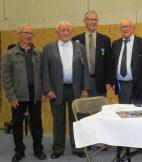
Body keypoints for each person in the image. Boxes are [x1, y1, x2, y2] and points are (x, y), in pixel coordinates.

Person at [41, 21, 90, 159]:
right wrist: (48, 90)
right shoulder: (48, 49)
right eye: (63, 30)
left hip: (76, 90)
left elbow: (86, 69)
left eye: (68, 30)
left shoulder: (80, 47)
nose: (66, 32)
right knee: (58, 120)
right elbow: (45, 72)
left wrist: (85, 88)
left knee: (76, 120)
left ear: (72, 31)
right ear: (57, 32)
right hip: (56, 90)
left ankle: (77, 148)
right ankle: (58, 148)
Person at [2, 24, 46, 162]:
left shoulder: (38, 54)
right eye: (25, 33)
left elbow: (44, 75)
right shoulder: (9, 55)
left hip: (35, 94)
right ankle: (19, 151)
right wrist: (11, 97)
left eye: (30, 33)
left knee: (37, 123)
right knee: (17, 125)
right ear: (19, 35)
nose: (28, 35)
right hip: (18, 95)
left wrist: (44, 91)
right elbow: (6, 78)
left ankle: (38, 150)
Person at [72, 10, 112, 97]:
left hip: (100, 82)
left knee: (100, 109)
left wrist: (109, 81)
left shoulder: (105, 40)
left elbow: (109, 62)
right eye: (90, 19)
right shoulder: (75, 40)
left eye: (95, 20)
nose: (93, 22)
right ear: (84, 21)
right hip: (82, 83)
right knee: (84, 109)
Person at [112, 18, 142, 105]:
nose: (125, 29)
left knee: (140, 115)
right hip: (122, 86)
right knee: (124, 113)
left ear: (133, 28)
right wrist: (113, 81)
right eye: (123, 27)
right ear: (120, 29)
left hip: (140, 86)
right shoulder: (115, 44)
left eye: (127, 26)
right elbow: (112, 64)